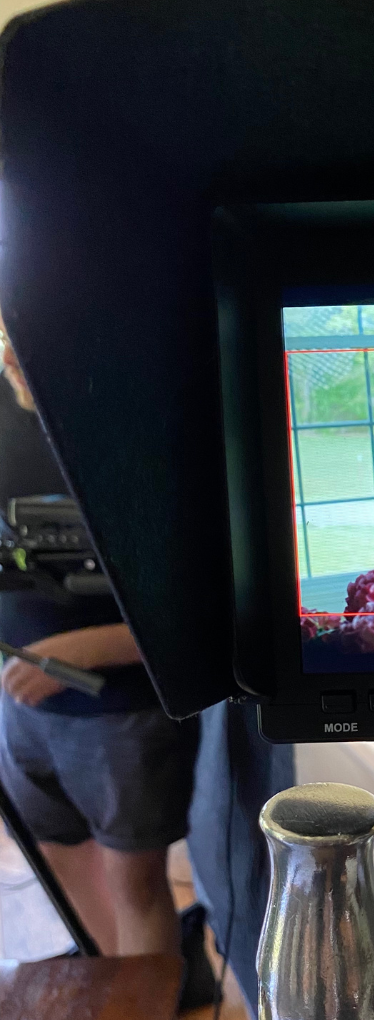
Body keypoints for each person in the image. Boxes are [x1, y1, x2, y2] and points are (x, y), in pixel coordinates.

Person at [0, 320, 201, 961]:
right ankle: (118, 989)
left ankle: (150, 1016)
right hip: (20, 704)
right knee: (56, 857)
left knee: (135, 885)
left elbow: (199, 612)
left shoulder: (135, 430)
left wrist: (76, 655)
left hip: (122, 714)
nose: (11, 350)